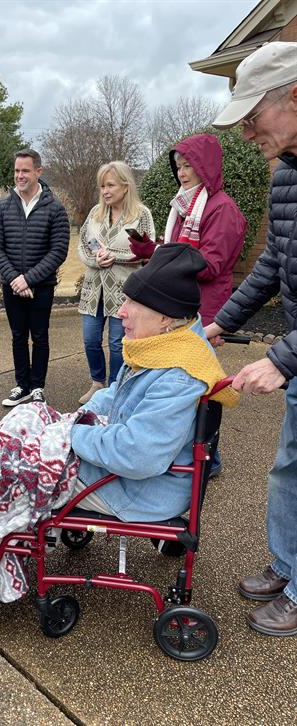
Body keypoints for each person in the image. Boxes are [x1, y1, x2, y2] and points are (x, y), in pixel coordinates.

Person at [0, 243, 238, 602]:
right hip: (132, 473)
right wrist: (69, 420)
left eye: (131, 305)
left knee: (19, 461)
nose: (120, 312)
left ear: (165, 316)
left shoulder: (177, 376)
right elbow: (113, 395)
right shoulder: (163, 346)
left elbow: (138, 455)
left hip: (138, 487)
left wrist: (71, 434)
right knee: (25, 422)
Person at [204, 41, 297, 637]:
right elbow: (271, 266)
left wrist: (283, 360)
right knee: (288, 468)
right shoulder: (286, 174)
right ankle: (288, 567)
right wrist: (218, 324)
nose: (243, 133)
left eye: (251, 116)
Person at [130, 133, 247, 327]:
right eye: (178, 167)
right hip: (183, 303)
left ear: (204, 166)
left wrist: (156, 252)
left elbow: (207, 266)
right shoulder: (186, 206)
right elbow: (181, 250)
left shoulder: (223, 209)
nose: (181, 174)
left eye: (187, 166)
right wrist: (155, 248)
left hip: (203, 308)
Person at [0, 148, 70, 407]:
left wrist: (29, 279)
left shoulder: (54, 208)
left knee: (40, 336)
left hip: (41, 287)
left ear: (38, 171)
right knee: (17, 336)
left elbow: (58, 250)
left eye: (25, 170)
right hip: (12, 286)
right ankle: (22, 385)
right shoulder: (3, 206)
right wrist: (15, 279)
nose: (19, 176)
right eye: (16, 171)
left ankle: (37, 387)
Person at [77, 161, 155, 404]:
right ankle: (97, 383)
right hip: (93, 290)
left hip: (123, 291)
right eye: (102, 186)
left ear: (125, 186)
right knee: (90, 339)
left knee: (117, 342)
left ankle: (115, 388)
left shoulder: (141, 215)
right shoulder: (95, 214)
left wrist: (116, 257)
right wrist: (95, 259)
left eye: (110, 185)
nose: (105, 191)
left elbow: (148, 250)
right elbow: (83, 243)